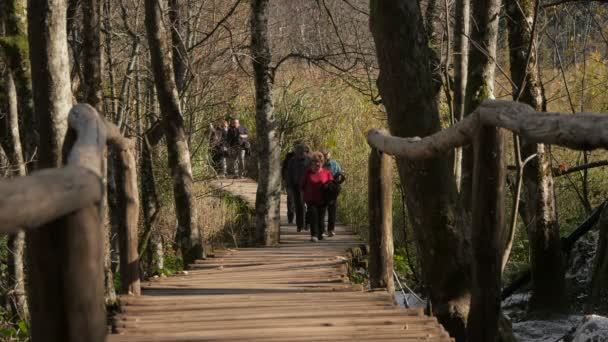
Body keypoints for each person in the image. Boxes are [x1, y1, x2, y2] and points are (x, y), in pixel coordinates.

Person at [300, 151, 333, 242]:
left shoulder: (327, 173)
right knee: (313, 216)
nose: (317, 163)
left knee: (321, 217)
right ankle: (314, 235)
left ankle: (321, 234)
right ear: (312, 163)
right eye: (315, 161)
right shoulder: (308, 173)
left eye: (319, 161)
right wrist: (302, 199)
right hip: (311, 199)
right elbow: (302, 186)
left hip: (323, 200)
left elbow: (332, 185)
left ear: (322, 163)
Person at [321, 149, 345, 237]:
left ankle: (331, 229)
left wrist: (339, 177)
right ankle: (322, 229)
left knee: (332, 210)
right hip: (322, 190)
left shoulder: (334, 164)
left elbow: (341, 174)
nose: (326, 156)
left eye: (327, 155)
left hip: (332, 190)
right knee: (322, 210)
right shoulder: (318, 164)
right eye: (324, 155)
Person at [286, 144, 310, 232]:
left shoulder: (309, 160)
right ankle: (299, 225)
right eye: (297, 152)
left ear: (304, 151)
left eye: (301, 152)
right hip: (295, 187)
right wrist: (289, 185)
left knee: (307, 206)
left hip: (307, 187)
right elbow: (289, 173)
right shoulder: (292, 161)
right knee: (298, 206)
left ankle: (307, 224)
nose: (299, 154)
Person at [281, 147, 296, 224]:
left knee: (301, 202)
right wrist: (284, 179)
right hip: (289, 182)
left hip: (301, 183)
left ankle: (302, 220)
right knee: (290, 200)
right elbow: (284, 168)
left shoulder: (305, 157)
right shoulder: (289, 156)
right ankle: (290, 218)